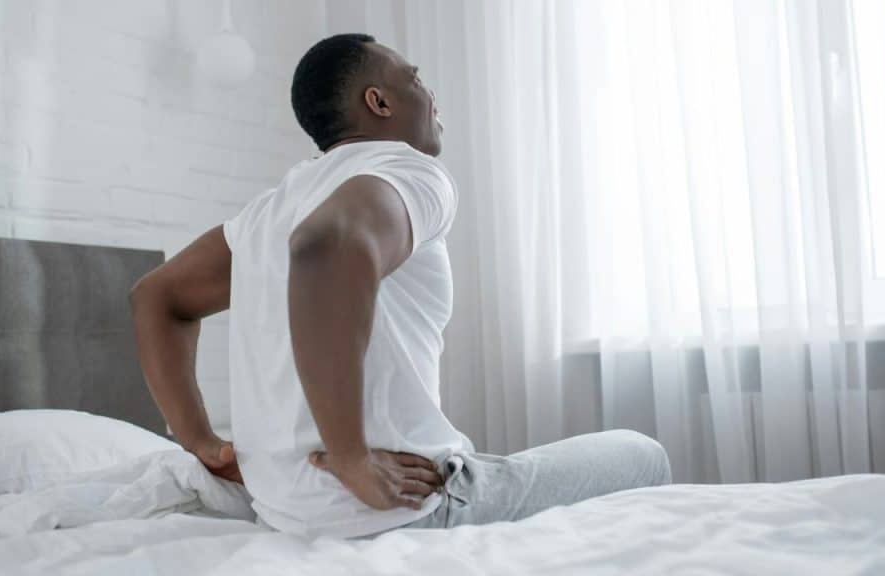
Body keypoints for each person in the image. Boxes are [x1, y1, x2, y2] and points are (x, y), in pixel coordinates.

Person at [129, 33, 671, 540]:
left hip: (288, 513)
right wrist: (351, 458)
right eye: (415, 79)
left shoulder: (267, 214)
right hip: (402, 507)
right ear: (380, 103)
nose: (431, 94)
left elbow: (155, 297)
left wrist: (201, 442)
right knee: (643, 451)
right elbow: (327, 244)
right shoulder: (406, 169)